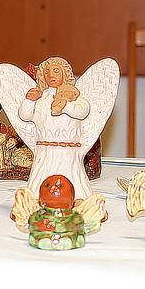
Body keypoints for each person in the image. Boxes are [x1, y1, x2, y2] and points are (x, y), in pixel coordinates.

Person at [18, 57, 91, 199]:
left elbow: (83, 110)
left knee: (72, 176)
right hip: (45, 149)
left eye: (56, 71)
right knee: (41, 176)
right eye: (46, 72)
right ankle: (37, 197)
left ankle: (77, 197)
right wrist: (29, 100)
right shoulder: (41, 98)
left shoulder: (73, 95)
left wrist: (66, 106)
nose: (51, 75)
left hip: (68, 149)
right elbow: (25, 115)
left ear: (65, 73)